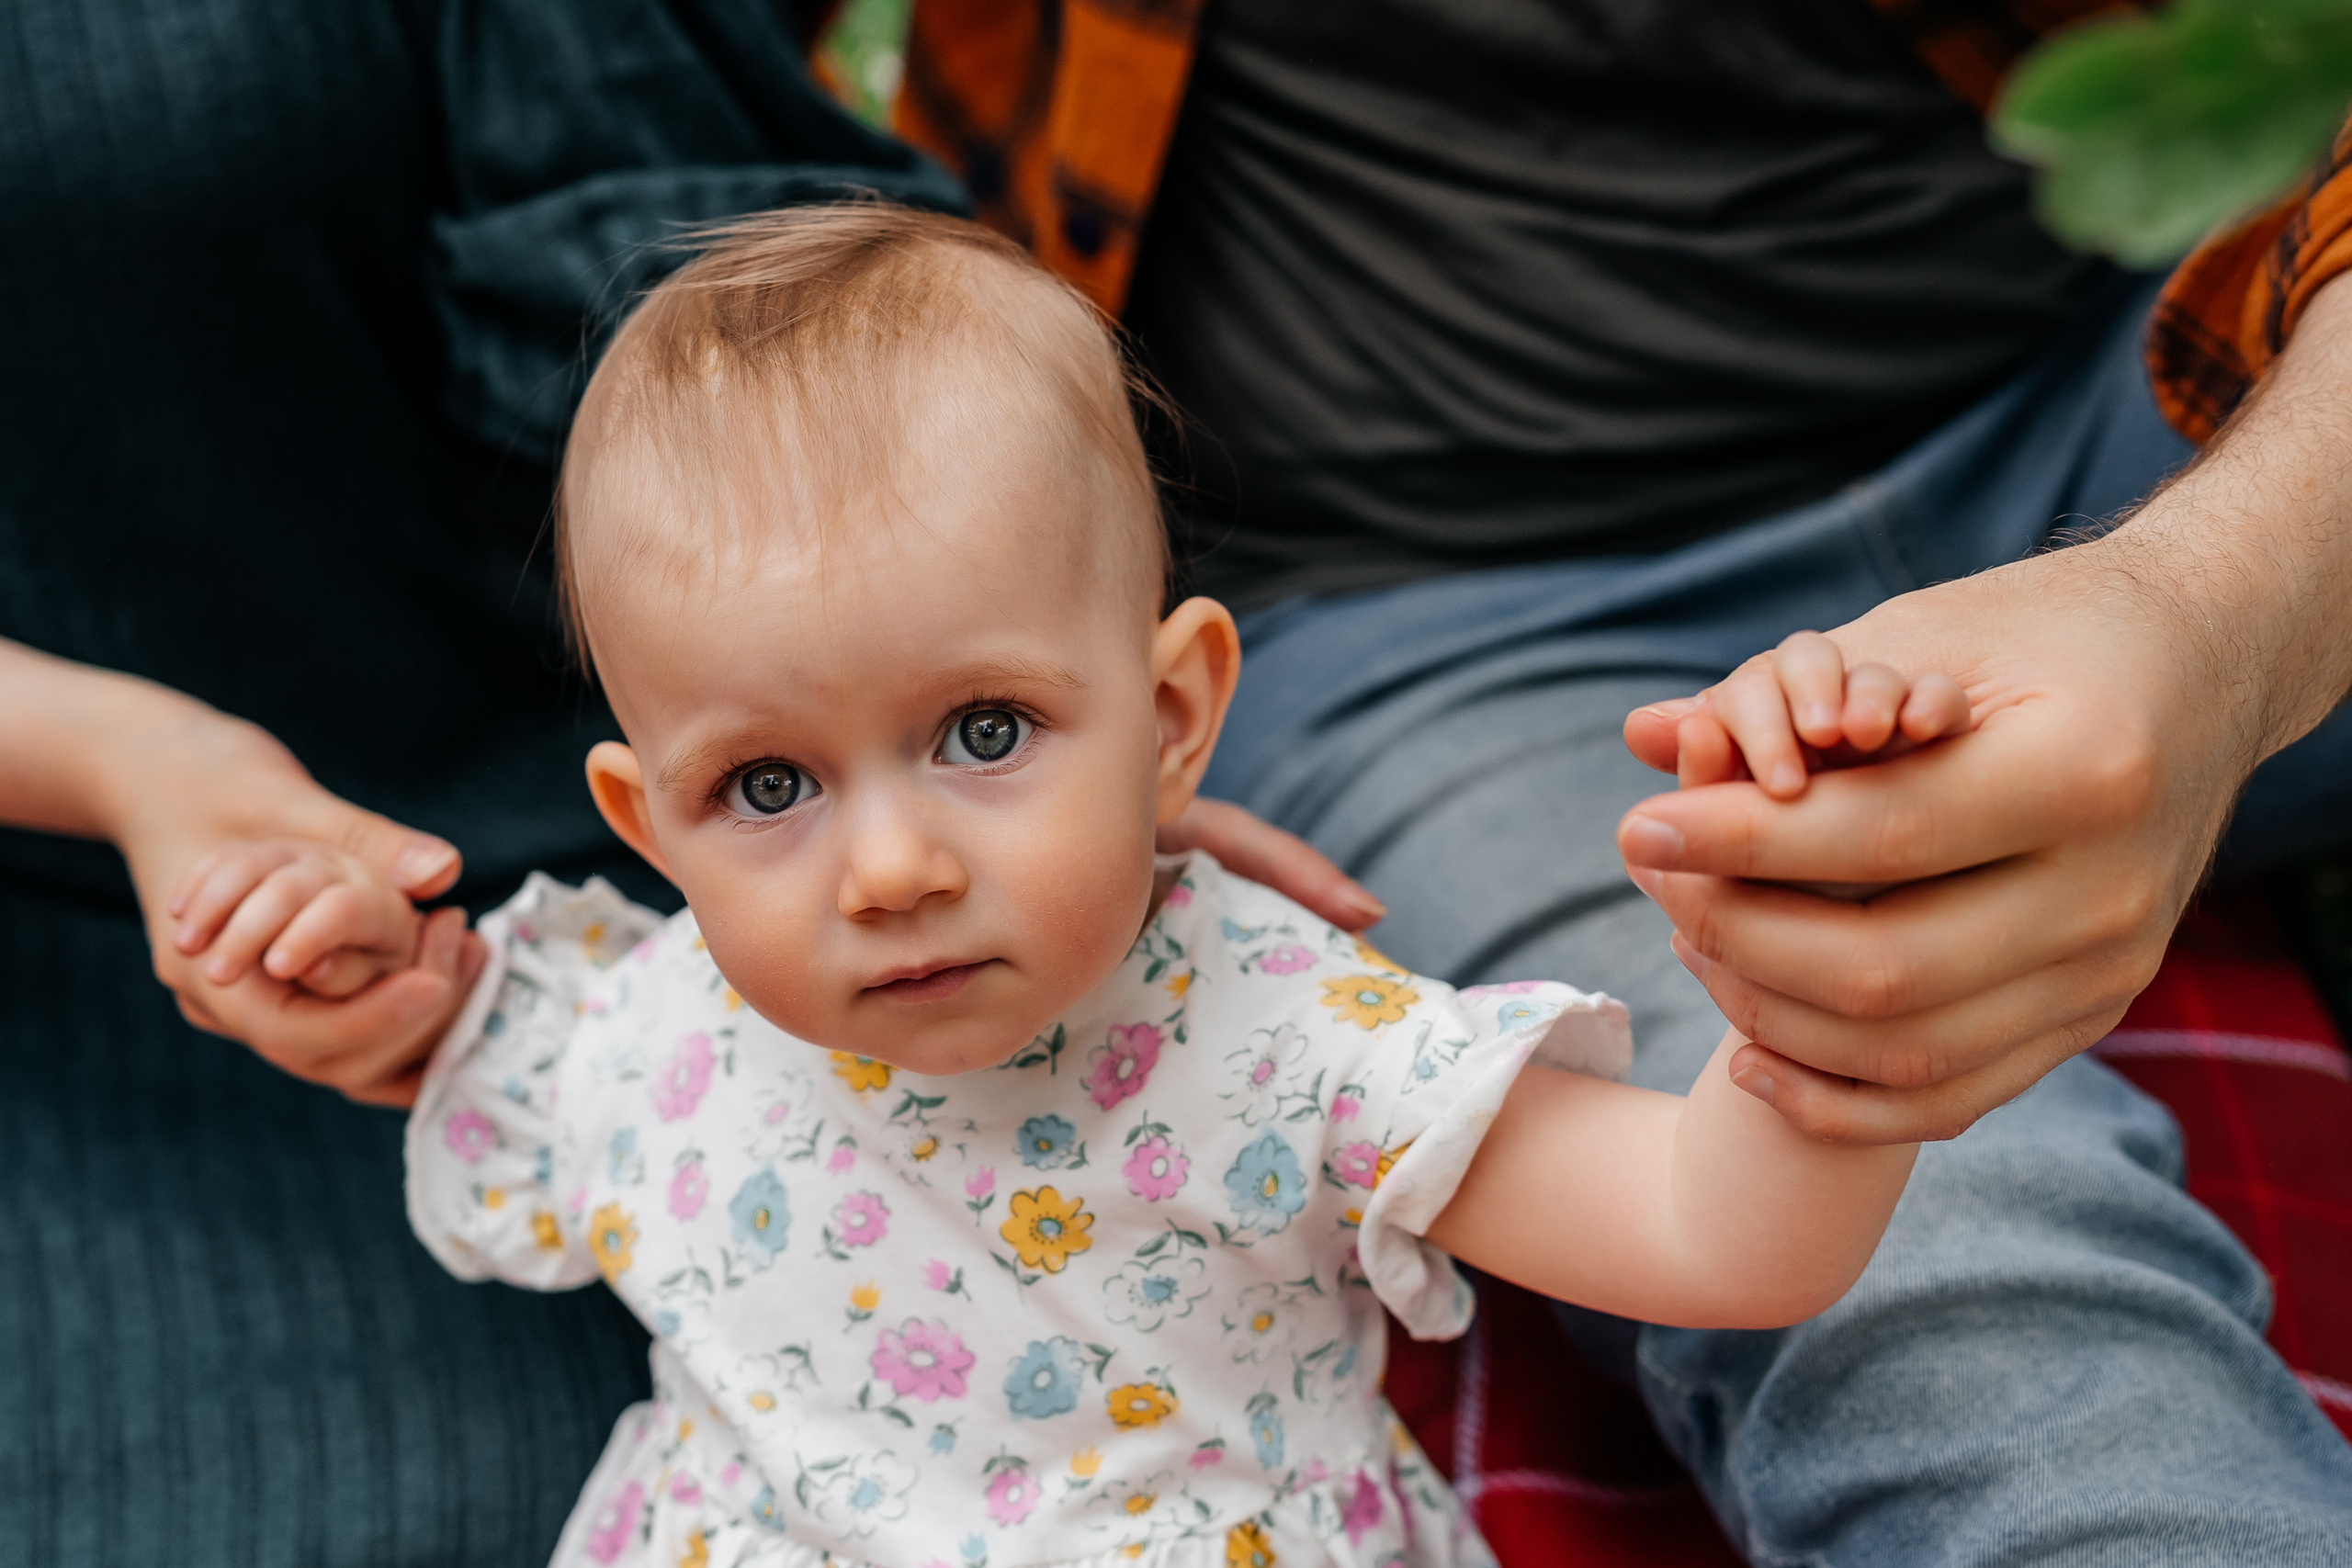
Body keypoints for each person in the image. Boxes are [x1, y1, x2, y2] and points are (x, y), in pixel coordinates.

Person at [175, 204, 1953, 1568]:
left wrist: (1837, 972)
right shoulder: (646, 1023)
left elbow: (1721, 1234)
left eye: (981, 727)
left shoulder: (1273, 1036)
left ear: (1172, 714)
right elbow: (459, 1045)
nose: (888, 866)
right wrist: (368, 980)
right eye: (767, 784)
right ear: (650, 829)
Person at [891, 0, 2352, 1560]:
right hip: (1439, 604)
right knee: (1957, 1276)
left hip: (2172, 395)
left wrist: (2226, 610)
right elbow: (660, 133)